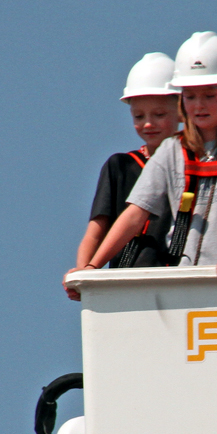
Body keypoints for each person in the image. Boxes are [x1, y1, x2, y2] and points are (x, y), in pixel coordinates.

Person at [77, 32, 217, 281]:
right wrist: (92, 266)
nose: (199, 105)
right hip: (187, 278)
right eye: (190, 96)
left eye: (209, 95)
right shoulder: (172, 149)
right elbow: (135, 214)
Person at [63, 53, 181, 300]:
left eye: (159, 114)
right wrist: (84, 272)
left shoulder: (195, 165)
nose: (148, 124)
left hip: (181, 279)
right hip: (127, 285)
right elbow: (96, 230)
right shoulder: (121, 166)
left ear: (182, 111)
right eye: (139, 116)